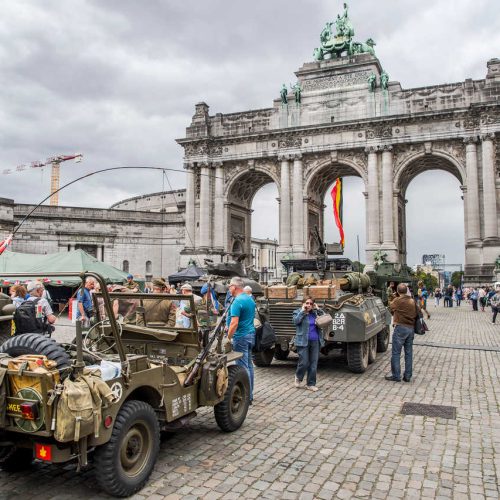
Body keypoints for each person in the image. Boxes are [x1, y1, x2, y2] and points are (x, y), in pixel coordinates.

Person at [226, 276, 256, 403]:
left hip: (241, 336)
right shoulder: (250, 299)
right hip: (250, 335)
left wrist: (228, 337)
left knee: (242, 368)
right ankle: (250, 394)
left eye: (230, 286)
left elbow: (234, 323)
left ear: (235, 287)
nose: (228, 288)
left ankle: (246, 397)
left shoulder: (237, 301)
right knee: (249, 366)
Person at [386, 283, 418, 382]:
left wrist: (394, 297)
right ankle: (408, 376)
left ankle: (396, 375)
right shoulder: (412, 301)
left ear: (398, 291)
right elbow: (418, 311)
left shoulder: (397, 300)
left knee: (396, 353)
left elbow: (390, 307)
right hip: (410, 329)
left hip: (400, 328)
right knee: (408, 353)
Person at [292, 296, 325, 392]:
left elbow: (325, 317)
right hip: (302, 342)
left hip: (315, 341)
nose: (309, 305)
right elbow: (295, 321)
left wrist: (318, 309)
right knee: (304, 362)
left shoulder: (315, 313)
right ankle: (298, 376)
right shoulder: (297, 312)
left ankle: (310, 384)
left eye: (311, 303)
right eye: (307, 303)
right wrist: (303, 311)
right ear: (303, 303)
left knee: (313, 364)